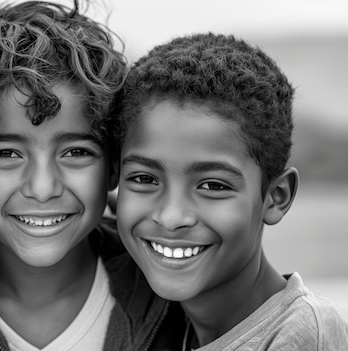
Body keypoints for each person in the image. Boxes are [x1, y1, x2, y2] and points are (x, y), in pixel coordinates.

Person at [0, 1, 186, 350]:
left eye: (76, 153)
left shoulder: (173, 302)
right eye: (6, 154)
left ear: (113, 169)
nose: (43, 188)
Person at [115, 32, 348, 350]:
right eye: (144, 179)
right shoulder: (161, 316)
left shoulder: (303, 334)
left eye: (213, 186)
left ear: (276, 196)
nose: (171, 217)